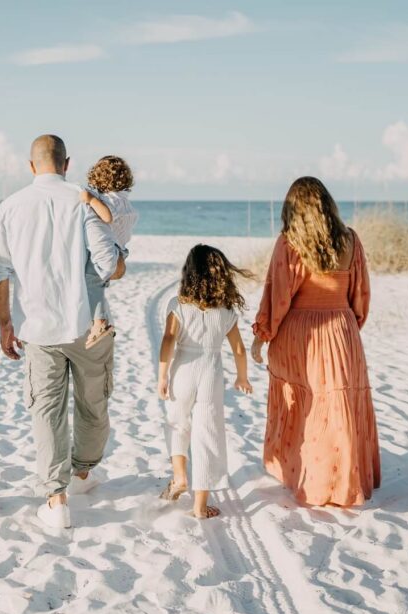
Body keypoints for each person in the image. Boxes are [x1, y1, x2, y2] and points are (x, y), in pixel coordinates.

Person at [0, 134, 126, 529]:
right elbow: (108, 265)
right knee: (93, 402)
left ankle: (56, 498)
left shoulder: (10, 207)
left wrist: (4, 323)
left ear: (32, 166)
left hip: (37, 328)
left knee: (46, 411)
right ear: (67, 163)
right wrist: (122, 262)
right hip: (88, 326)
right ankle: (82, 474)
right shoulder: (82, 199)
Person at [250, 177, 380, 507]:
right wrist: (349, 328)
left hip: (299, 334)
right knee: (337, 405)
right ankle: (342, 482)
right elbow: (360, 296)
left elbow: (278, 298)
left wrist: (261, 336)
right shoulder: (351, 240)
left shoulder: (289, 242)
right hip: (341, 330)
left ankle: (305, 476)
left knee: (304, 403)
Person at [157, 245, 253, 518]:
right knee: (207, 434)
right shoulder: (226, 310)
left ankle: (179, 477)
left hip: (183, 369)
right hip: (211, 372)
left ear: (189, 273)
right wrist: (242, 376)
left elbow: (168, 340)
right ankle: (200, 507)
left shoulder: (178, 305)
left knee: (176, 422)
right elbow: (239, 349)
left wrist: (162, 375)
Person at [77, 155, 139, 348]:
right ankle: (104, 319)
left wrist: (89, 199)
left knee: (91, 280)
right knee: (99, 286)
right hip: (120, 250)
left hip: (110, 251)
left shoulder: (109, 202)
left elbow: (107, 216)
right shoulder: (124, 201)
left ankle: (100, 322)